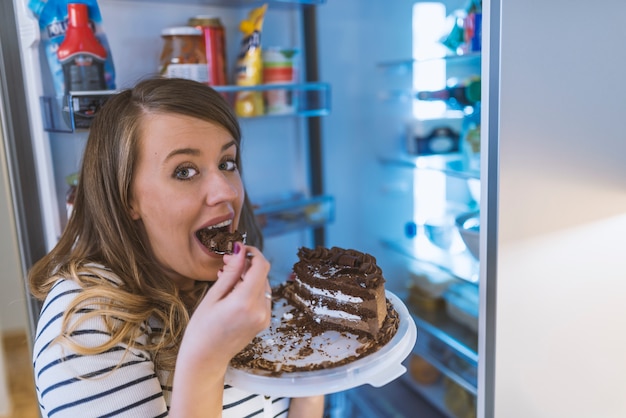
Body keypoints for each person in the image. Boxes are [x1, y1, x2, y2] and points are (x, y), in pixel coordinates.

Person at [29, 77, 325, 417]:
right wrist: (207, 358)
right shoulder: (87, 325)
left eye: (227, 164)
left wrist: (317, 368)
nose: (226, 192)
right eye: (184, 171)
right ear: (127, 199)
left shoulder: (231, 289)